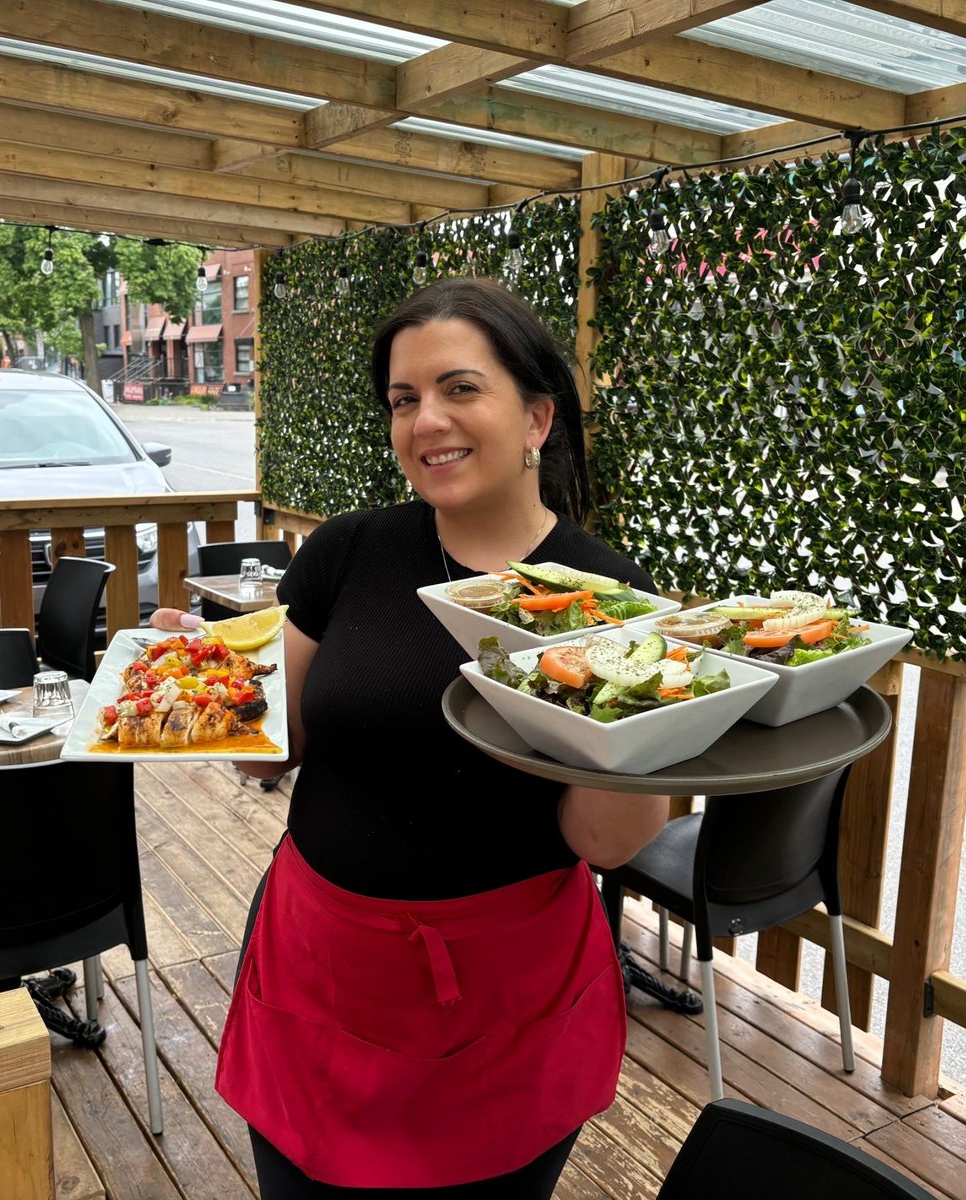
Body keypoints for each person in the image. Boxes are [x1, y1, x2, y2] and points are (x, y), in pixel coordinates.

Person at [151, 278, 667, 1196]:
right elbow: (271, 745)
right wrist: (209, 684)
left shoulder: (605, 599)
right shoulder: (348, 552)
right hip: (319, 969)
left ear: (537, 417)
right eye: (404, 399)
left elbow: (603, 841)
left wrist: (653, 716)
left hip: (508, 1003)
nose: (427, 420)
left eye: (460, 389)